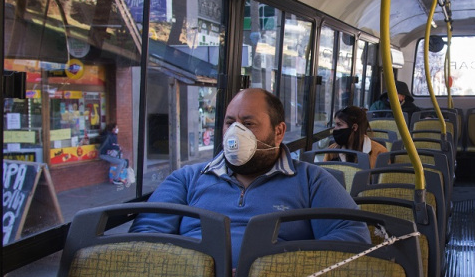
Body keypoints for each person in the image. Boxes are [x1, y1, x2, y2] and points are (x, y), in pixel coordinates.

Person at [131, 88, 370, 265]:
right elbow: (144, 237)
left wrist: (270, 273)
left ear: (278, 132)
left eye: (248, 123)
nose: (236, 133)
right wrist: (199, 276)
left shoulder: (311, 180)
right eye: (230, 123)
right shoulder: (186, 179)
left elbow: (353, 237)